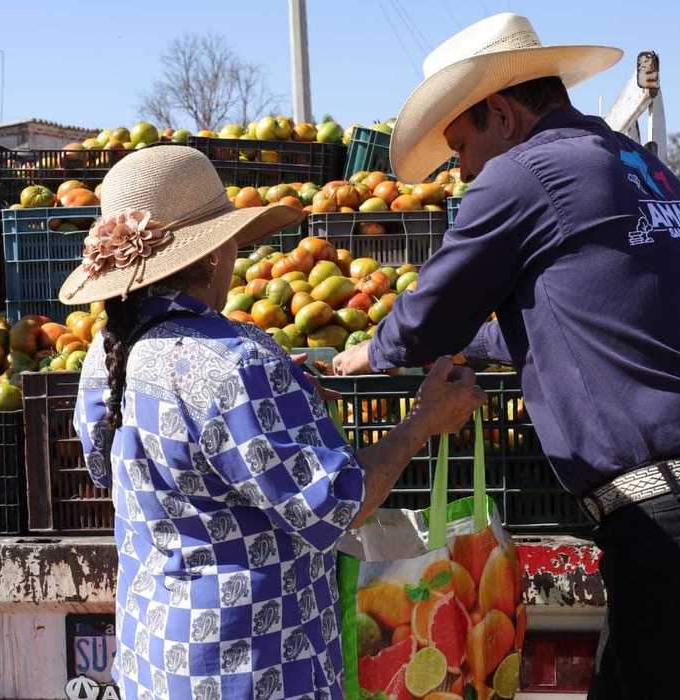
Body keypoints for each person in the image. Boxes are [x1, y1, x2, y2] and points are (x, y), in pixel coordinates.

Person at [332, 13, 680, 699]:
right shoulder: (636, 166)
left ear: (503, 115)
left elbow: (425, 320)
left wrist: (374, 350)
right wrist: (476, 349)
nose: (462, 173)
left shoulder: (525, 171)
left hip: (675, 520)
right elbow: (582, 318)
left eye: (460, 147)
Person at [61, 146, 486, 700]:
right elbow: (337, 504)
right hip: (256, 669)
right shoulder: (237, 362)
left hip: (158, 660)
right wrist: (422, 423)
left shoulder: (105, 354)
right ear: (214, 255)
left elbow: (110, 469)